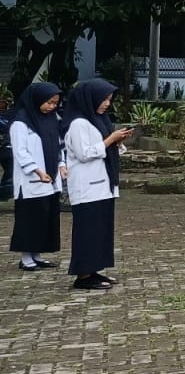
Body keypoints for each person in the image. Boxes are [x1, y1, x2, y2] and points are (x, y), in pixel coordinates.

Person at [61, 79, 134, 291]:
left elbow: (104, 147)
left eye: (109, 100)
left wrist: (117, 141)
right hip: (86, 186)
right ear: (89, 99)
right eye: (103, 99)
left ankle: (94, 270)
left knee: (100, 230)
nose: (107, 104)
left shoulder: (98, 120)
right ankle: (83, 276)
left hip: (103, 184)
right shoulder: (78, 123)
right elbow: (84, 154)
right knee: (87, 230)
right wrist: (110, 140)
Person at [9, 82, 63, 272]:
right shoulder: (21, 123)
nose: (52, 106)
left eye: (55, 103)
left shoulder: (52, 119)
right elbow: (20, 152)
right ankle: (26, 258)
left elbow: (58, 145)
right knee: (29, 219)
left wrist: (61, 165)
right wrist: (37, 170)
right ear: (37, 100)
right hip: (31, 181)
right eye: (48, 102)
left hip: (50, 178)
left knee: (45, 218)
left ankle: (37, 255)